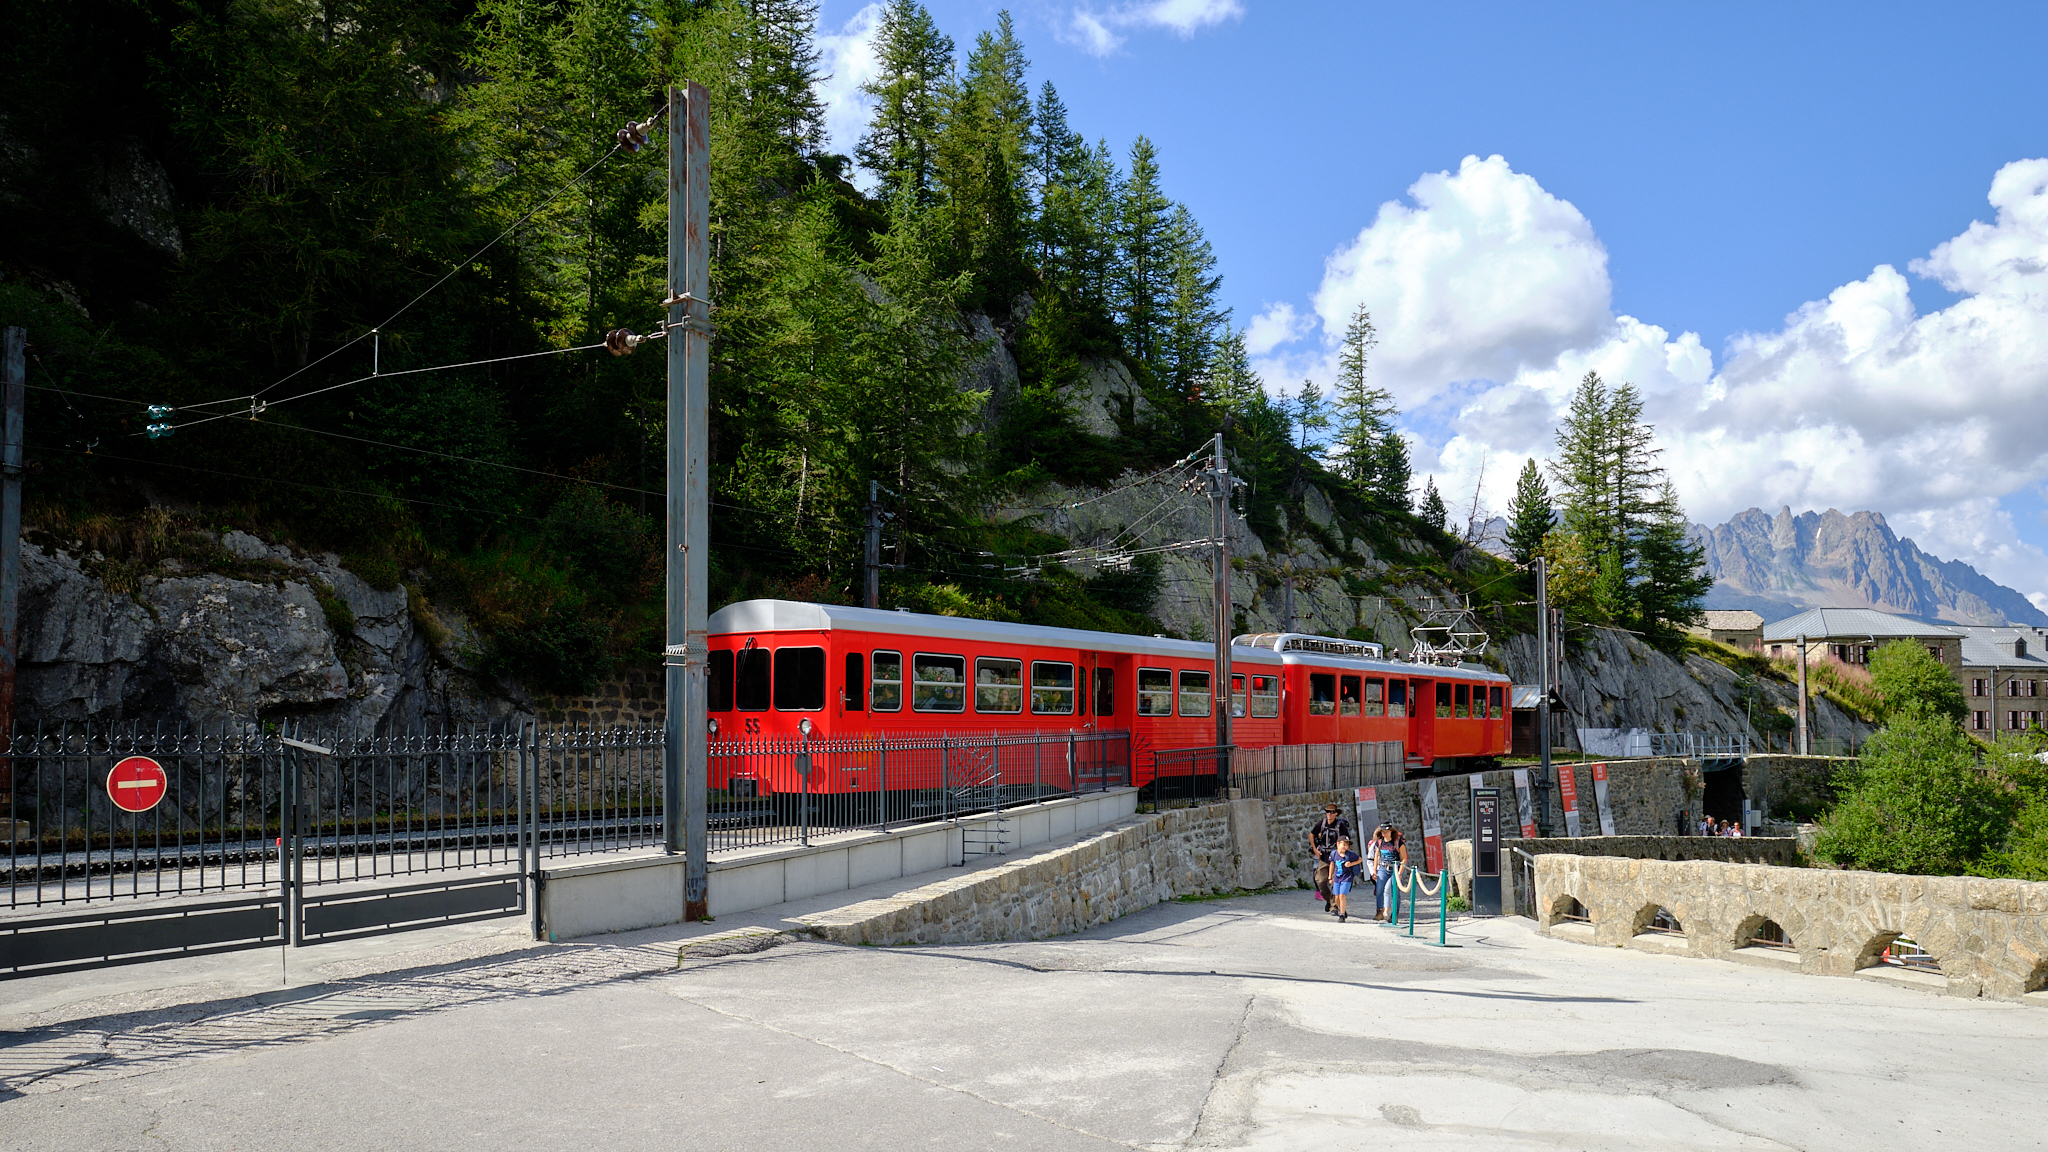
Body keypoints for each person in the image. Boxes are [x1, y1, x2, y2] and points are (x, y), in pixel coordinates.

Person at [1308, 804, 1353, 913]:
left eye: (1332, 812)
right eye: (1327, 811)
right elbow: (1311, 834)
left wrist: (1343, 855)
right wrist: (1314, 849)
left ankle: (1334, 906)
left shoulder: (1341, 826)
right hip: (1323, 857)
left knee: (1336, 882)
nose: (1329, 814)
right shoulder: (1322, 823)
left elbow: (1346, 842)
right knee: (1320, 881)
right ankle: (1330, 901)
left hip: (1336, 858)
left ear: (1336, 813)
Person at [1368, 822, 1407, 921]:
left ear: (1391, 831)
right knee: (1379, 889)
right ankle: (1379, 911)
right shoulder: (1379, 842)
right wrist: (1374, 871)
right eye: (1383, 832)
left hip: (1395, 869)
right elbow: (1376, 856)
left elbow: (1404, 858)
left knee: (1394, 890)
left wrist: (1400, 872)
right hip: (1383, 868)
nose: (1384, 833)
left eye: (1386, 831)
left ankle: (1395, 914)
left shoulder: (1398, 842)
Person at [1328, 836, 1362, 923]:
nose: (1345, 847)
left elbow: (1360, 859)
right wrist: (1330, 877)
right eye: (1344, 844)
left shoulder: (1350, 854)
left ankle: (1342, 915)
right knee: (1336, 898)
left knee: (1342, 895)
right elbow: (1332, 865)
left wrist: (1351, 864)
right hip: (1337, 878)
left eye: (1347, 845)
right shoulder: (1334, 854)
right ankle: (1342, 909)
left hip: (1347, 877)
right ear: (1338, 844)